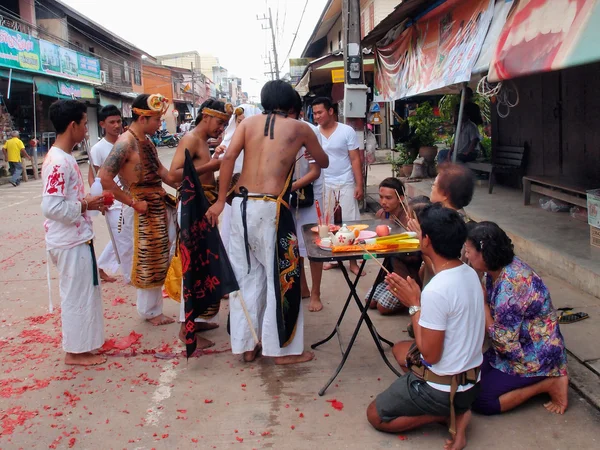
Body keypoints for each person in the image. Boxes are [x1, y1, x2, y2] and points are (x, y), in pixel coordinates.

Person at [205, 80, 329, 365]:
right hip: (271, 208)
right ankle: (282, 351)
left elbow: (229, 159)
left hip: (240, 205)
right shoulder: (301, 128)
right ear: (290, 105)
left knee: (247, 277)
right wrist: (309, 151)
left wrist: (221, 199)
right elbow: (322, 162)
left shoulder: (247, 124)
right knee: (282, 278)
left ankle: (246, 346)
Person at [367, 204, 484, 450]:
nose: (417, 237)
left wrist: (414, 305)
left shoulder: (436, 291)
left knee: (375, 415)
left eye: (420, 233)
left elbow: (431, 354)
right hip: (473, 381)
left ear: (428, 240)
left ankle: (447, 414)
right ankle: (455, 409)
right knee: (399, 350)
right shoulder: (469, 273)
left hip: (445, 388)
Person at [465, 222, 568, 416]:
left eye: (469, 250)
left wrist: (483, 304)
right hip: (513, 346)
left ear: (484, 253)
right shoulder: (495, 270)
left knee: (481, 401)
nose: (467, 255)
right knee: (467, 382)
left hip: (533, 355)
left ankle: (549, 382)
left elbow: (506, 345)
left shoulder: (511, 287)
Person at [99, 93, 177, 326]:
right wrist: (133, 202)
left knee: (160, 256)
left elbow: (164, 173)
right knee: (148, 259)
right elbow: (104, 178)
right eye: (156, 120)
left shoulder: (147, 141)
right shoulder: (125, 143)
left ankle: (153, 309)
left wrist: (186, 183)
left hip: (157, 202)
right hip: (141, 206)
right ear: (142, 118)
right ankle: (150, 312)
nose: (159, 124)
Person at [41, 99, 107, 366]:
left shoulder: (64, 158)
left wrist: (88, 204)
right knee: (76, 295)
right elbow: (52, 207)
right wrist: (85, 204)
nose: (86, 131)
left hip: (76, 238)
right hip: (68, 242)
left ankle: (85, 346)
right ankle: (75, 352)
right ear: (72, 125)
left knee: (85, 293)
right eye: (83, 124)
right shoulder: (59, 162)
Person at [169, 98, 231, 349]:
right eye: (219, 122)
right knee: (193, 266)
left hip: (203, 208)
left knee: (205, 265)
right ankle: (187, 329)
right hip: (193, 209)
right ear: (205, 116)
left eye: (225, 124)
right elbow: (173, 176)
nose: (221, 128)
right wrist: (213, 164)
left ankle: (198, 319)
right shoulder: (191, 139)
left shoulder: (203, 142)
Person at [312, 97, 364, 276]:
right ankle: (334, 258)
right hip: (323, 183)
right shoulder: (314, 133)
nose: (316, 116)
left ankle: (353, 261)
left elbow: (355, 158)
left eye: (320, 112)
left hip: (346, 181)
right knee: (328, 223)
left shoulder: (346, 131)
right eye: (314, 113)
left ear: (331, 111)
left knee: (350, 221)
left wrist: (359, 184)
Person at [289, 92, 324, 313]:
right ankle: (302, 287)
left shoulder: (309, 131)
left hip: (310, 193)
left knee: (314, 245)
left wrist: (288, 187)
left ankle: (316, 292)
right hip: (288, 195)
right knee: (294, 245)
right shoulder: (275, 130)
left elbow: (315, 171)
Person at [88, 105, 131, 284]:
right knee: (124, 240)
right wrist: (101, 200)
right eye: (111, 122)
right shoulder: (98, 149)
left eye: (119, 121)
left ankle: (101, 265)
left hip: (130, 197)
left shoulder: (127, 142)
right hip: (112, 201)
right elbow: (93, 177)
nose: (116, 125)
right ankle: (130, 277)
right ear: (102, 124)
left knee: (126, 237)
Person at [368, 183, 427, 315]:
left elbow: (416, 256)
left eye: (388, 198)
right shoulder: (381, 215)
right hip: (390, 272)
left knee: (382, 308)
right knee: (369, 302)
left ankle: (410, 301)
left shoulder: (410, 218)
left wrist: (393, 247)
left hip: (407, 275)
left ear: (400, 199)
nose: (383, 202)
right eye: (381, 197)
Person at [214, 104, 263, 252]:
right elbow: (217, 166)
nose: (241, 125)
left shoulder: (262, 143)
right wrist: (216, 155)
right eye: (239, 121)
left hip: (255, 195)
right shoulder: (228, 141)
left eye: (245, 121)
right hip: (231, 196)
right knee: (232, 235)